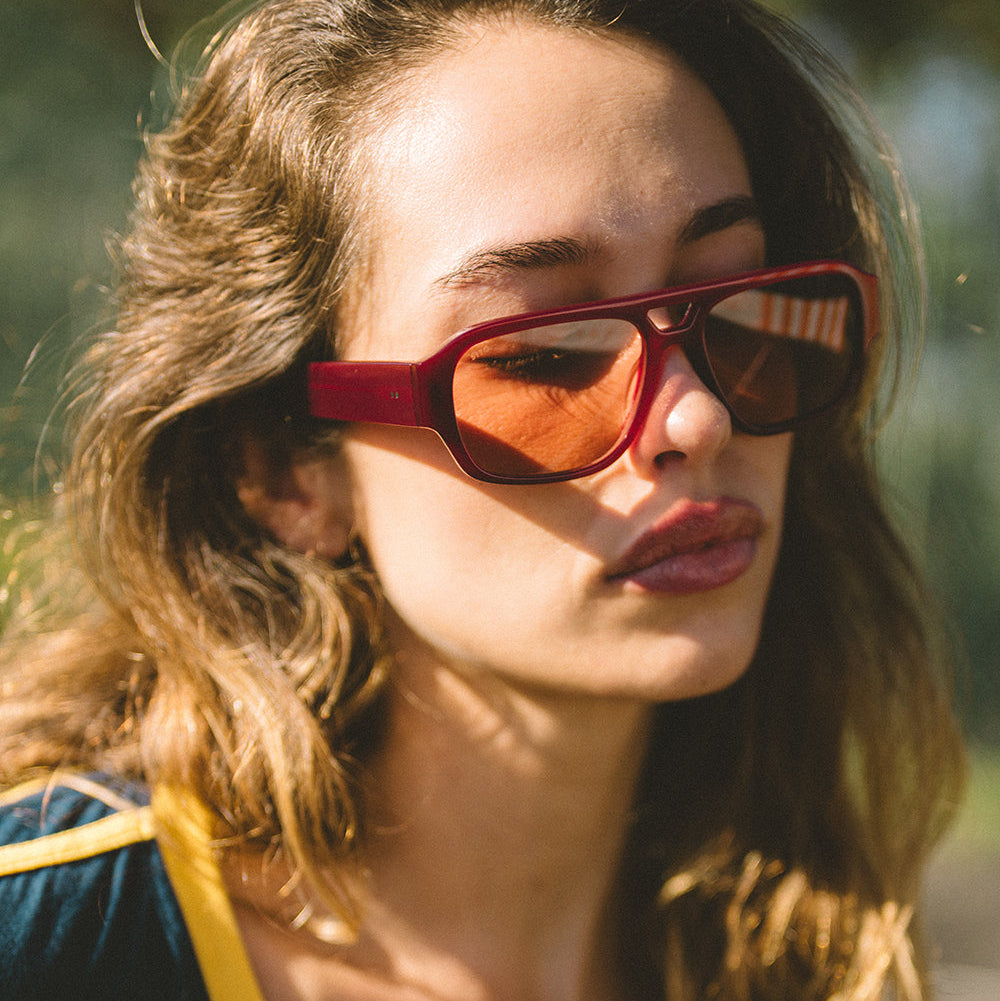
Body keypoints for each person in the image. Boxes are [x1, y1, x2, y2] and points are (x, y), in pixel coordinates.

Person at [0, 0, 966, 999]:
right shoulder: (45, 944)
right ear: (284, 470)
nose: (696, 420)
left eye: (735, 295)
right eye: (545, 356)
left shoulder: (813, 956)